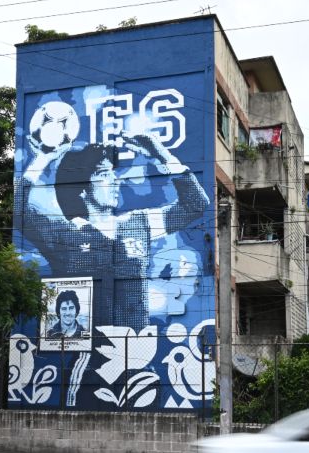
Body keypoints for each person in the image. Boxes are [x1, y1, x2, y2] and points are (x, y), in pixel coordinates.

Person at [17, 132, 209, 332]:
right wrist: (43, 158)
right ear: (82, 188)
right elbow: (20, 210)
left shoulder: (138, 222)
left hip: (136, 347)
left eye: (113, 173)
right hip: (81, 347)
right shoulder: (64, 233)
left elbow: (196, 204)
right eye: (103, 174)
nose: (114, 180)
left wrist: (162, 156)